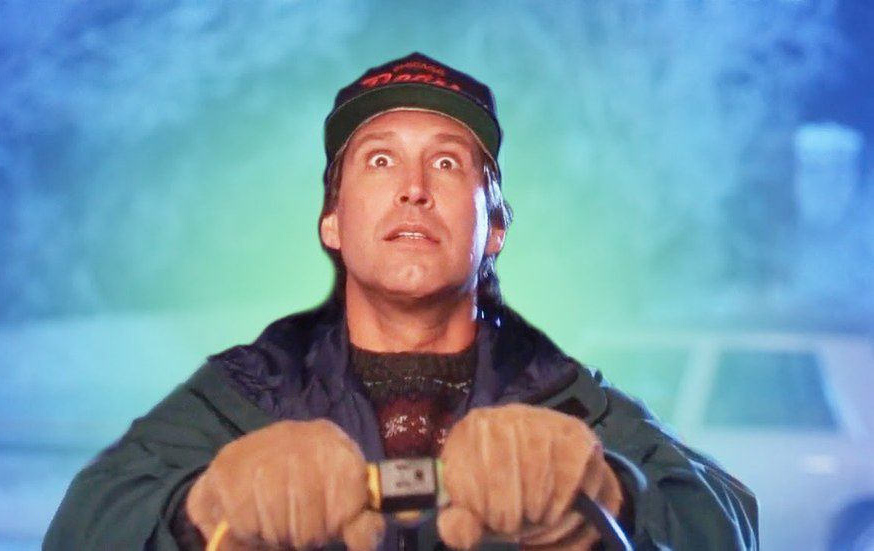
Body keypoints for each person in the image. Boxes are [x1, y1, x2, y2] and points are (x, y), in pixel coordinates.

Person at [44, 52, 758, 550]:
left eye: (447, 162)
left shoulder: (572, 408)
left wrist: (609, 494)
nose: (414, 188)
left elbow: (727, 522)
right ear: (333, 221)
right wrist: (198, 511)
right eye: (380, 160)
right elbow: (84, 526)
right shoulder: (238, 397)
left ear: (495, 228)